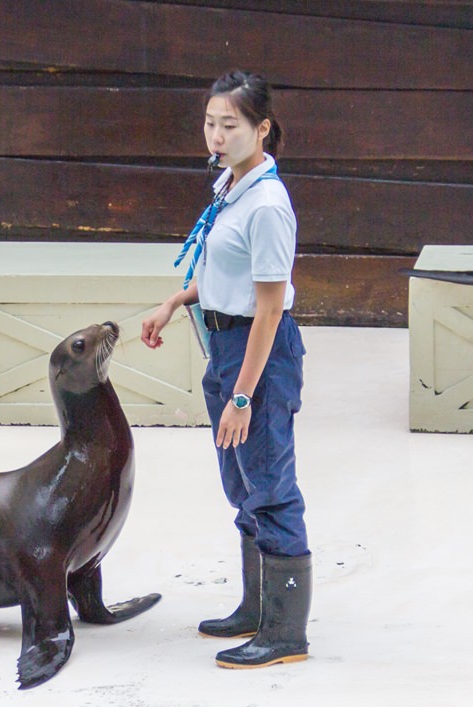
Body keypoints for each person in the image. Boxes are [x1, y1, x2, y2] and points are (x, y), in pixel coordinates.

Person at [141, 70, 311, 669]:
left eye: (229, 125)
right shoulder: (229, 184)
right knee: (241, 483)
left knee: (270, 485)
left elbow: (268, 308)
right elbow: (223, 276)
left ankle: (286, 634)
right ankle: (255, 606)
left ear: (261, 129)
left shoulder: (266, 206)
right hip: (223, 345)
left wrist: (242, 396)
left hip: (256, 355)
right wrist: (175, 301)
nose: (215, 135)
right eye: (210, 123)